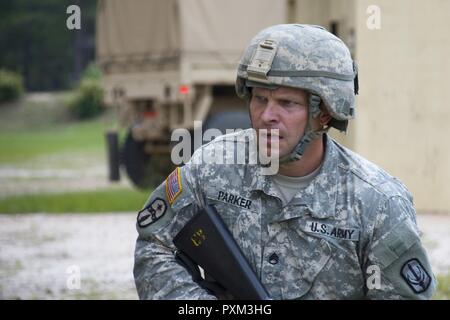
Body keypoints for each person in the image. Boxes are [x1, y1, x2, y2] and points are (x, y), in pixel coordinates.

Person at [133, 24, 437, 299]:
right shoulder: (212, 168)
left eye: (287, 103)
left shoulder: (377, 203)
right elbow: (155, 247)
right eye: (260, 99)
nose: (267, 116)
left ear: (326, 113)